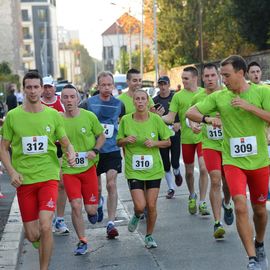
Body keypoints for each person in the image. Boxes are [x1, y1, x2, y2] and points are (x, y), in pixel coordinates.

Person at [186, 55, 270, 270]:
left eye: (226, 75)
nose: (223, 80)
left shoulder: (262, 92)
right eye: (221, 75)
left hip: (259, 162)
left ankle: (259, 243)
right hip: (233, 162)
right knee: (240, 205)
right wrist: (207, 119)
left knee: (260, 211)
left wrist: (249, 107)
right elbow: (191, 112)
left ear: (241, 73)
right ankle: (252, 259)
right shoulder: (220, 97)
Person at [0, 71, 75, 270]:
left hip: (48, 176)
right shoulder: (13, 117)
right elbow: (3, 148)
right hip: (24, 180)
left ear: (42, 89)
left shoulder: (53, 115)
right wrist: (12, 172)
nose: (33, 91)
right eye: (29, 87)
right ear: (23, 89)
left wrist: (71, 152)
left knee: (45, 225)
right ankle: (40, 241)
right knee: (33, 234)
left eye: (36, 87)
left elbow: (66, 142)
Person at [117, 89, 172, 248]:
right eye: (137, 99)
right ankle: (137, 214)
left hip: (153, 169)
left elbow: (168, 142)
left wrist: (155, 143)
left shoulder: (156, 119)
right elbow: (118, 142)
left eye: (143, 99)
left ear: (147, 101)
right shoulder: (126, 120)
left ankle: (149, 236)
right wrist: (126, 140)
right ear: (133, 102)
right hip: (134, 169)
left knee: (152, 205)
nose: (140, 102)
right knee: (140, 205)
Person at [189, 63, 233, 239]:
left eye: (212, 76)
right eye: (206, 76)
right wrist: (195, 125)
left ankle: (227, 203)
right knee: (215, 180)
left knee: (227, 181)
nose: (209, 79)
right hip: (210, 145)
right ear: (202, 78)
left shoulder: (228, 94)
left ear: (219, 76)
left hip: (229, 145)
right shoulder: (199, 97)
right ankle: (217, 223)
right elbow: (190, 116)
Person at [60, 84, 105, 255]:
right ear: (61, 99)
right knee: (76, 205)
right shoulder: (58, 119)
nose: (69, 100)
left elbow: (101, 135)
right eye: (66, 97)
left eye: (72, 97)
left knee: (91, 211)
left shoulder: (89, 116)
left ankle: (98, 204)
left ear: (78, 99)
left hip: (88, 169)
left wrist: (94, 150)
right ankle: (82, 241)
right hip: (69, 169)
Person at [162, 66, 210, 216]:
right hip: (187, 139)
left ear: (195, 78)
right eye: (182, 78)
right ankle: (192, 195)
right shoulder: (178, 96)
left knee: (203, 168)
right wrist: (155, 117)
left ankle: (202, 202)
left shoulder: (205, 93)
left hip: (203, 137)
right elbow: (170, 118)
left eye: (186, 78)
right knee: (189, 172)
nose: (183, 81)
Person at [87, 71, 124, 239]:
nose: (107, 88)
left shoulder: (119, 104)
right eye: (103, 85)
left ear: (113, 86)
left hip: (112, 150)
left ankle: (111, 223)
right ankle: (99, 202)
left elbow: (126, 120)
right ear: (98, 86)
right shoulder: (88, 103)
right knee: (98, 188)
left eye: (110, 85)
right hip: (94, 150)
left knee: (111, 184)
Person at [41, 75, 70, 235]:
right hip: (43, 150)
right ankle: (47, 217)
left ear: (54, 87)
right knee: (45, 184)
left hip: (59, 149)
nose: (47, 90)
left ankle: (59, 219)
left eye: (49, 87)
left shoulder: (62, 103)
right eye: (44, 87)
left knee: (61, 184)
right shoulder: (36, 104)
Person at [153, 76, 183, 199]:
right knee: (165, 162)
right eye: (160, 84)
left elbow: (183, 112)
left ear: (169, 84)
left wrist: (179, 123)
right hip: (161, 136)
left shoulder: (175, 97)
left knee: (175, 161)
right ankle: (171, 188)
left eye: (165, 84)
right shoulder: (154, 100)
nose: (163, 87)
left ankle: (177, 172)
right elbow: (151, 117)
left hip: (174, 132)